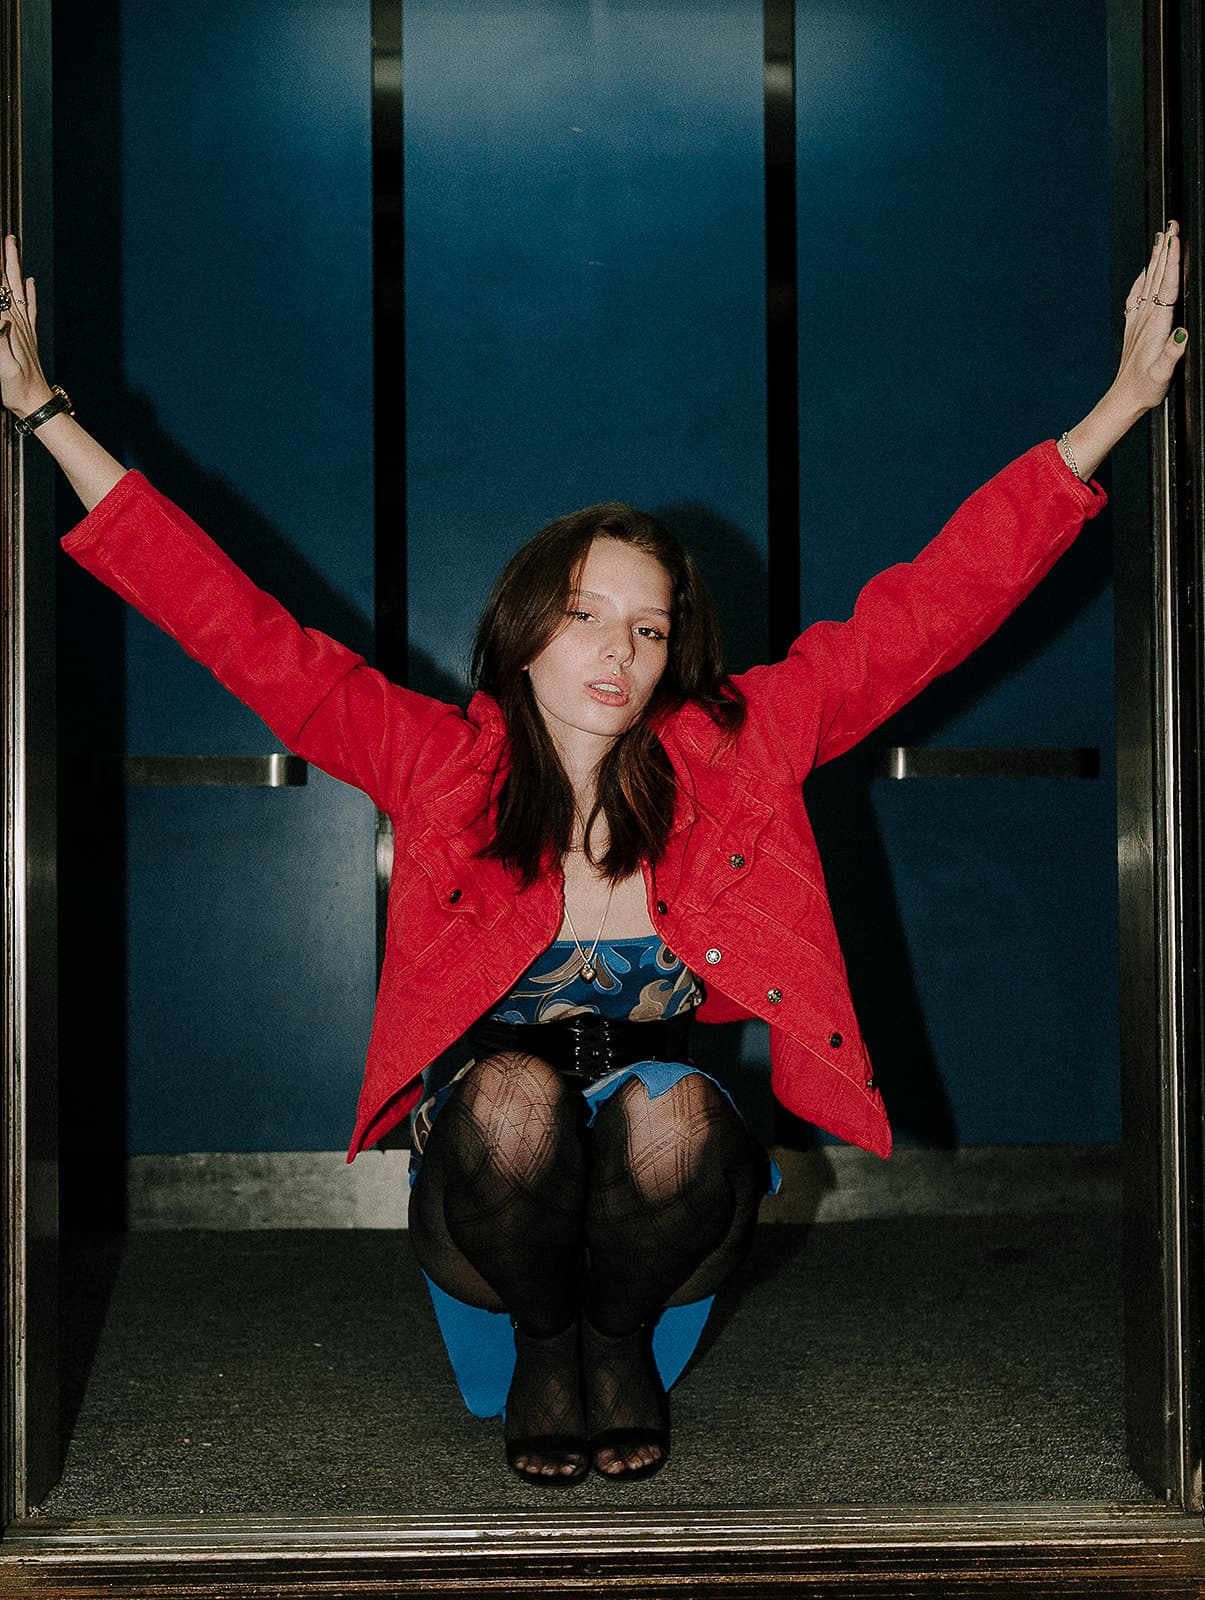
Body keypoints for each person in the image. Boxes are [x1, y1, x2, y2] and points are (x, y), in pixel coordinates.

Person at [0, 225, 1188, 1485]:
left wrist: (1112, 408)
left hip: (658, 1213)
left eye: (649, 626)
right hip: (490, 1209)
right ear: (524, 631)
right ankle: (544, 1338)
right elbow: (239, 627)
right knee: (511, 1101)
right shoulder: (436, 762)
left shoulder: (733, 753)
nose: (617, 650)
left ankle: (612, 1342)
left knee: (676, 1111)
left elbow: (927, 611)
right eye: (583, 616)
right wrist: (43, 412)